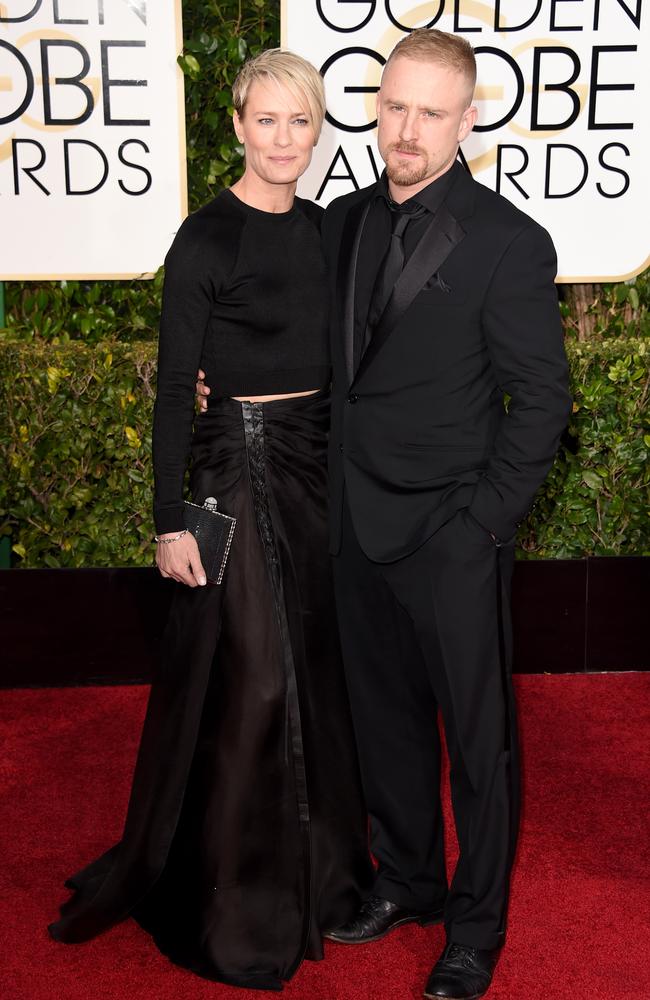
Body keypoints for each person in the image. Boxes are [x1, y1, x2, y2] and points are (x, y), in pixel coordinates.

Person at [199, 26, 571, 1000]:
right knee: (384, 723)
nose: (406, 129)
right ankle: (407, 880)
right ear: (376, 104)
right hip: (351, 524)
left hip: (451, 532)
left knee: (476, 743)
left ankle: (475, 930)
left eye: (430, 113)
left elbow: (539, 402)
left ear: (467, 120)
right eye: (393, 105)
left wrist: (485, 520)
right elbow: (305, 347)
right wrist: (218, 378)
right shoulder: (342, 223)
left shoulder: (507, 243)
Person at [49, 49, 373, 991]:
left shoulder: (331, 232)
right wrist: (168, 521)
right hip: (231, 467)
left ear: (319, 130)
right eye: (265, 121)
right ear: (235, 125)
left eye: (300, 122)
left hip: (316, 468)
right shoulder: (205, 240)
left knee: (319, 678)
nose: (283, 140)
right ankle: (238, 898)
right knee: (255, 684)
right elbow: (169, 398)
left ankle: (327, 881)